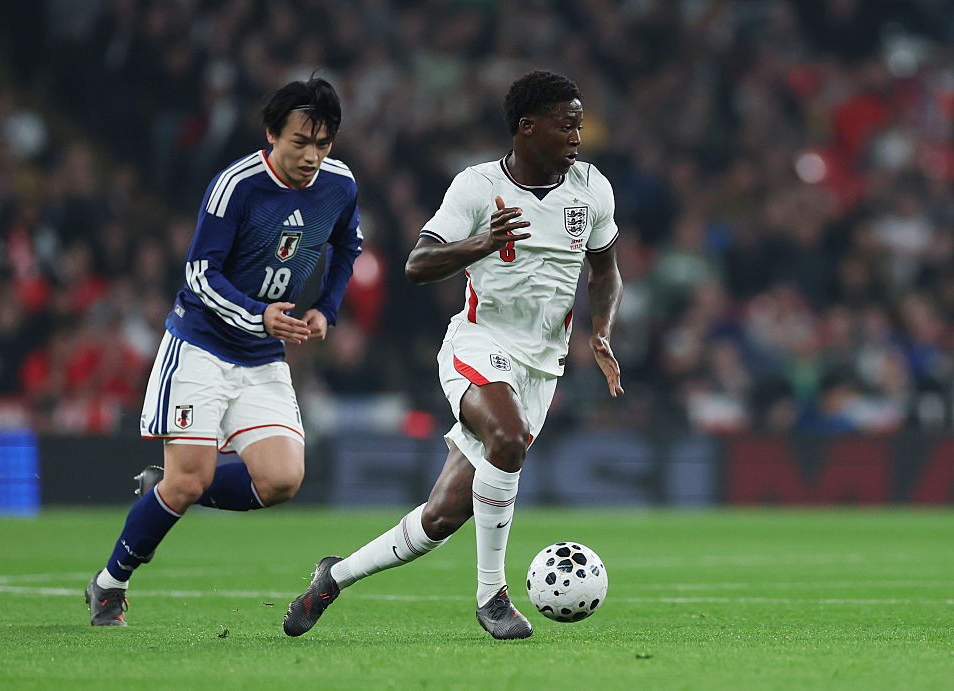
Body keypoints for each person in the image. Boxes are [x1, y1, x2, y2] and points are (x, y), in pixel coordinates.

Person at [282, 70, 623, 640]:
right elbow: (417, 264)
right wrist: (484, 242)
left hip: (542, 367)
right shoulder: (477, 187)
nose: (576, 137)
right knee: (507, 438)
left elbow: (606, 271)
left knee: (441, 517)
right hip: (480, 342)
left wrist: (601, 331)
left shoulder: (592, 189)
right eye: (566, 126)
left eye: (579, 126)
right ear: (527, 127)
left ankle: (332, 578)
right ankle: (493, 597)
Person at [85, 76, 363, 626]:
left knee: (282, 480)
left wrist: (325, 309)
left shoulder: (339, 184)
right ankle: (110, 584)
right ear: (272, 135)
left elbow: (347, 244)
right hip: (201, 345)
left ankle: (165, 488)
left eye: (323, 143)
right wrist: (259, 314)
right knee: (188, 480)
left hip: (261, 354)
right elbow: (199, 273)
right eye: (300, 142)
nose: (312, 156)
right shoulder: (237, 186)